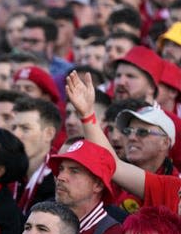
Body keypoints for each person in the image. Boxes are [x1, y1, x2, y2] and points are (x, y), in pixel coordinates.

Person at [66, 71, 181, 215]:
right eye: (127, 131)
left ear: (165, 143)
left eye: (142, 132)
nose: (131, 137)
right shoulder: (169, 187)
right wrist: (87, 114)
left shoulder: (174, 186)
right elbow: (113, 164)